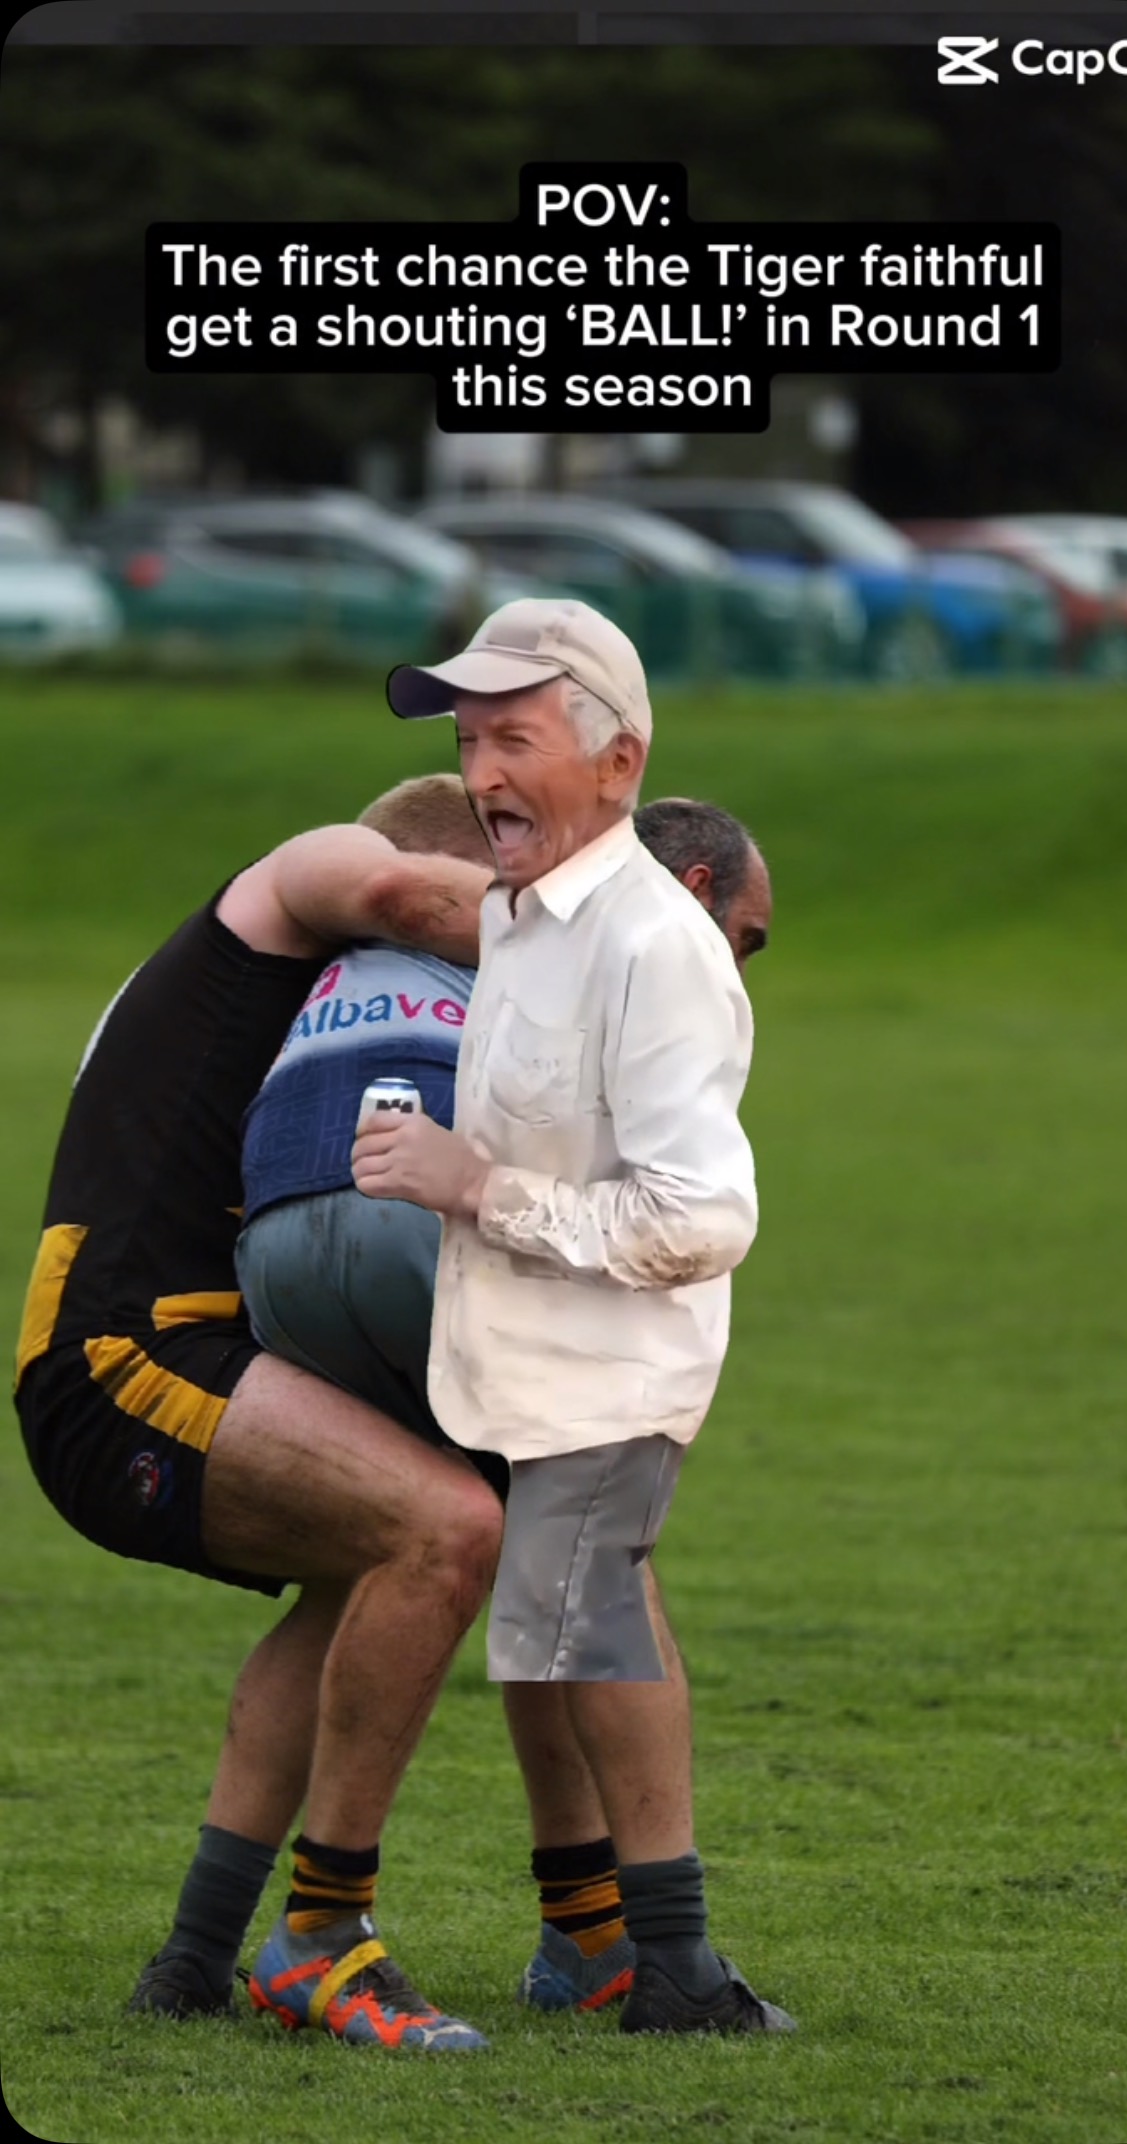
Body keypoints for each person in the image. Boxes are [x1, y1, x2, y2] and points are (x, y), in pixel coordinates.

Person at [233, 775, 773, 2023]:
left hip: (274, 1247)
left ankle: (202, 1939)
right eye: (744, 941)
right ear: (690, 894)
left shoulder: (318, 965)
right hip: (422, 1224)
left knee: (410, 1551)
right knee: (592, 1549)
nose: (742, 972)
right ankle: (649, 1951)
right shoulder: (605, 942)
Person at [356, 596, 795, 2035]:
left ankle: (669, 1962)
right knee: (543, 1633)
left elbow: (698, 1219)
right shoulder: (519, 922)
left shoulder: (654, 946)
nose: (481, 772)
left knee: (586, 1613)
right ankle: (602, 1948)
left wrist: (476, 1189)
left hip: (608, 1369)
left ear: (619, 764)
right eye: (470, 741)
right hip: (512, 1366)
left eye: (515, 739)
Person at [11, 815, 512, 2052]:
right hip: (123, 1351)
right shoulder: (300, 882)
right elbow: (394, 878)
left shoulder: (284, 998)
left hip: (158, 1346)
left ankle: (194, 1956)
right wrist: (614, 926)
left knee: (365, 1573)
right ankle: (324, 1937)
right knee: (447, 1530)